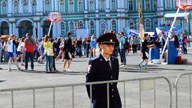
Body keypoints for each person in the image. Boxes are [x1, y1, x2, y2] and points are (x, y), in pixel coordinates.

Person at [86, 33, 122, 108]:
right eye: (108, 45)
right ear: (101, 46)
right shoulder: (94, 62)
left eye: (112, 45)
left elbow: (115, 80)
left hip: (114, 100)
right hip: (100, 101)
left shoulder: (114, 60)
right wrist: (94, 99)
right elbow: (89, 83)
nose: (111, 48)